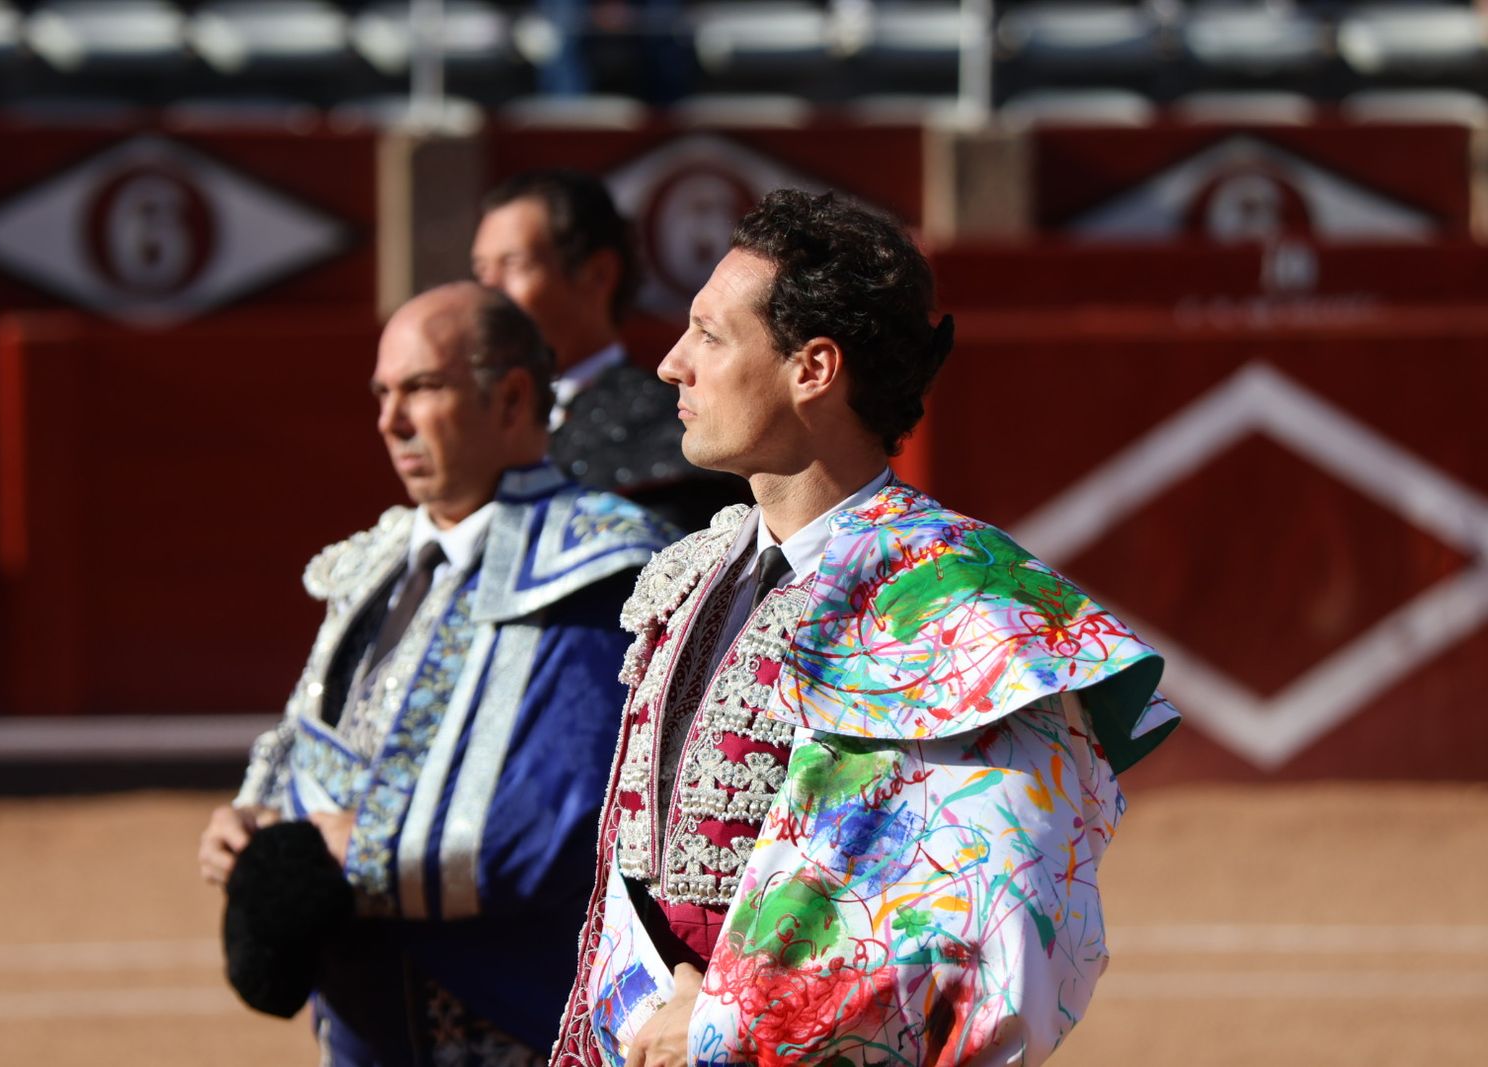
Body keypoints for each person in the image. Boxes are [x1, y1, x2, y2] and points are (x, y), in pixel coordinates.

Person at [551, 191, 1182, 1067]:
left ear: (813, 368)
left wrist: (725, 1018)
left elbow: (1000, 921)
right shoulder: (691, 573)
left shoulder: (960, 603)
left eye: (709, 335)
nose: (670, 364)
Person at [197, 282, 672, 1066]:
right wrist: (257, 823)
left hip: (512, 1021)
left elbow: (560, 813)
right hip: (367, 1023)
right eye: (382, 393)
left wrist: (348, 844)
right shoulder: (378, 561)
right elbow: (309, 732)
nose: (390, 420)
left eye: (420, 388)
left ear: (510, 397)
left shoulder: (599, 568)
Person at [472, 168, 745, 533]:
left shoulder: (667, 426)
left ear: (598, 274)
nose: (488, 292)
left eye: (513, 265)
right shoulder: (472, 418)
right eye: (481, 271)